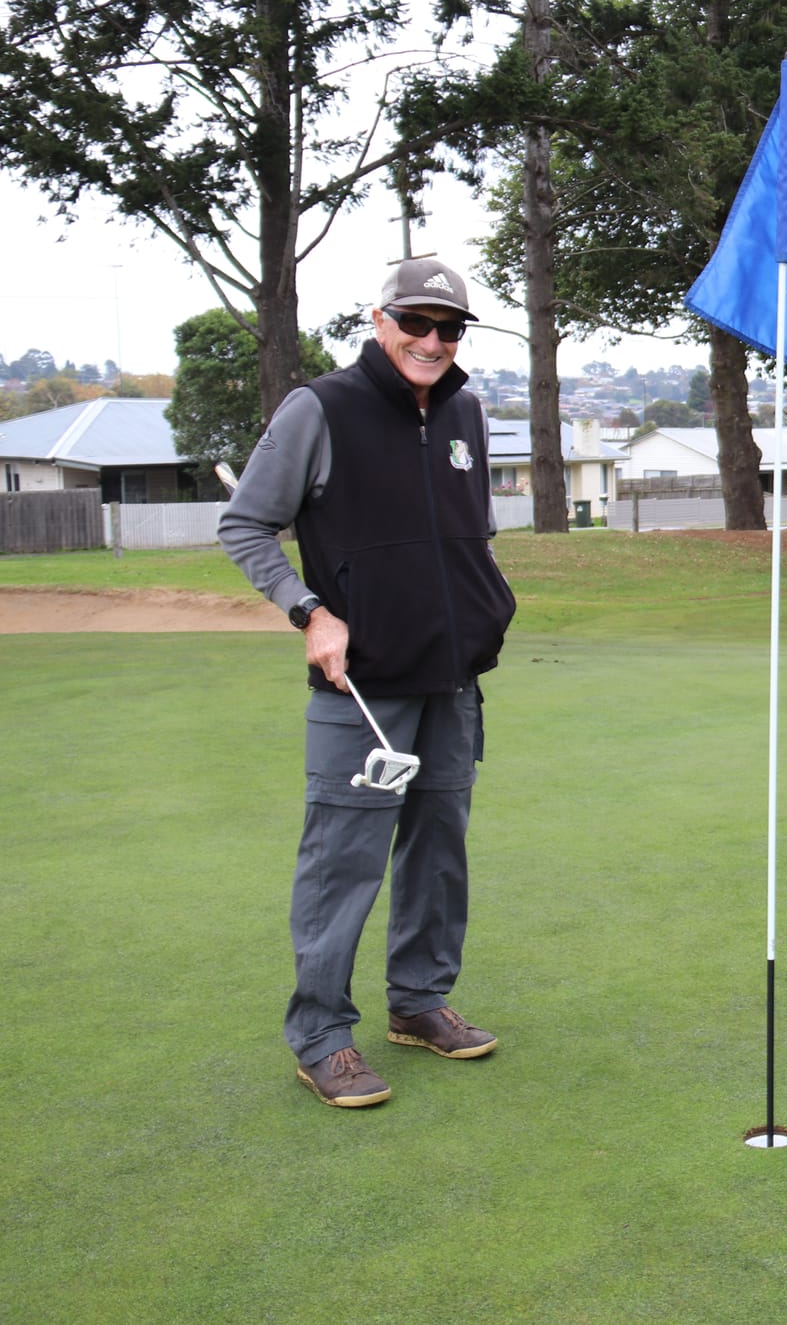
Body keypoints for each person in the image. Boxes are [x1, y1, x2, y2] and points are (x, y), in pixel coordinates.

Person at [220, 256, 517, 1108]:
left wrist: (485, 606)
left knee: (439, 851)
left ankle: (419, 1001)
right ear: (380, 321)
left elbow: (470, 532)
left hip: (451, 678)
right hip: (362, 685)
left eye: (448, 328)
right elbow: (245, 524)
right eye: (416, 322)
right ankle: (322, 1034)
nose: (432, 340)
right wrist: (309, 610)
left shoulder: (464, 410)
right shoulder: (321, 407)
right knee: (342, 863)